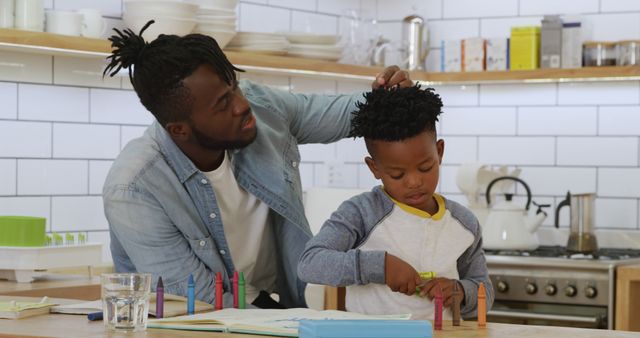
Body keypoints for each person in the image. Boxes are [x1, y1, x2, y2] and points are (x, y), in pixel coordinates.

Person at [101, 20, 415, 309]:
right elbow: (196, 295)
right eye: (223, 104)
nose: (242, 105)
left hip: (270, 310)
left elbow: (340, 114)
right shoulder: (133, 187)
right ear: (180, 129)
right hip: (197, 324)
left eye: (234, 86)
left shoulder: (259, 108)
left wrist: (385, 96)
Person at [297, 85, 494, 319]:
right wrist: (381, 266)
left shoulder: (463, 223)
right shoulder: (361, 213)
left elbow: (485, 291)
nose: (413, 182)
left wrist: (461, 291)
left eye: (425, 167)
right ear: (375, 168)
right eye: (397, 174)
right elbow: (310, 263)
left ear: (439, 151)